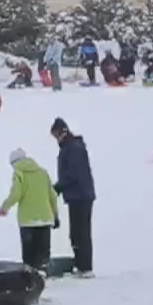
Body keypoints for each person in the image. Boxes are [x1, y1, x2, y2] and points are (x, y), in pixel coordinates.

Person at [0, 148, 59, 271]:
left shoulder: (19, 173)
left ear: (14, 163)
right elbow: (52, 196)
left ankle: (30, 276)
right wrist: (55, 215)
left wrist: (5, 207)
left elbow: (16, 194)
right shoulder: (42, 173)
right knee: (43, 251)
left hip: (27, 220)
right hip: (45, 218)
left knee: (29, 253)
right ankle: (42, 273)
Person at [49, 118, 95, 278]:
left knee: (80, 232)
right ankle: (81, 264)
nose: (56, 140)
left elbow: (73, 174)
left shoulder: (73, 148)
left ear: (63, 132)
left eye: (56, 136)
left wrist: (58, 187)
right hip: (76, 195)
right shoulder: (69, 147)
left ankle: (85, 267)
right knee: (76, 233)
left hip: (81, 196)